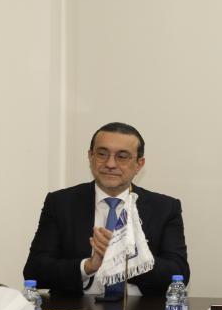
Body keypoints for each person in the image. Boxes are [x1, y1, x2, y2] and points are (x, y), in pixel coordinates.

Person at [23, 122, 189, 297]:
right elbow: (35, 271)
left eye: (122, 156)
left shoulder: (164, 207)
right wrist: (89, 266)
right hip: (75, 309)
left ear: (139, 164)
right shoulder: (61, 203)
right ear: (90, 157)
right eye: (102, 154)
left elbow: (179, 274)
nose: (110, 164)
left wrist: (126, 259)